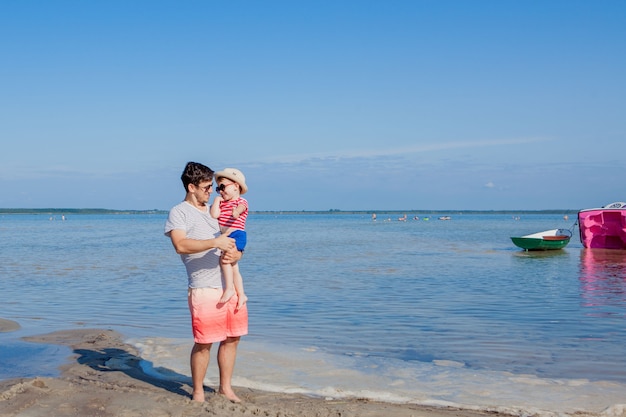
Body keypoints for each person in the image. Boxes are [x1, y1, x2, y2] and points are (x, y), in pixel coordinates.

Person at [164, 161, 248, 403]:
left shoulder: (216, 211)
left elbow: (232, 238)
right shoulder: (179, 212)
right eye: (206, 187)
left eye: (212, 186)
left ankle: (225, 388)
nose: (211, 191)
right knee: (204, 342)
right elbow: (180, 245)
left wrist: (237, 253)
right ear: (191, 187)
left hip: (229, 285)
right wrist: (215, 243)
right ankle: (198, 391)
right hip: (203, 287)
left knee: (233, 338)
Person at [210, 168, 249, 310]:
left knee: (225, 261)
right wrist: (216, 201)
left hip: (237, 234)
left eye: (223, 187)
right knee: (234, 266)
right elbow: (214, 215)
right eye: (217, 189)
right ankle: (242, 294)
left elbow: (241, 208)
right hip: (226, 236)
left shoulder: (241, 201)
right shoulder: (221, 203)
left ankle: (229, 289)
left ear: (236, 186)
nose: (220, 191)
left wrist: (236, 212)